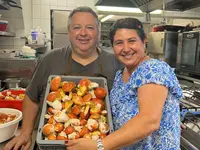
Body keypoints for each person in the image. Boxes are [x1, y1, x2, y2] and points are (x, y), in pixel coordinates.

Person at [3, 6, 122, 150]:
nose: (83, 33)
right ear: (69, 32)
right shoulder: (50, 59)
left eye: (90, 27)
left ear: (98, 31)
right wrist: (25, 133)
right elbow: (31, 97)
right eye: (77, 27)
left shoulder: (115, 63)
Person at [66, 18, 183, 150]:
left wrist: (100, 145)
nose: (126, 48)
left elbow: (149, 121)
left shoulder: (153, 69)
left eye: (132, 41)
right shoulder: (120, 75)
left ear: (144, 41)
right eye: (119, 43)